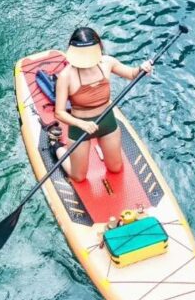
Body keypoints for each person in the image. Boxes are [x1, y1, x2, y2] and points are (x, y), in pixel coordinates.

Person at [50, 26, 152, 183]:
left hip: (107, 122)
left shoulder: (107, 62)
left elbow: (132, 74)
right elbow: (59, 113)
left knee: (116, 168)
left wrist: (142, 68)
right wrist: (81, 124)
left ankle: (100, 146)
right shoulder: (66, 76)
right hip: (80, 128)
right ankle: (58, 149)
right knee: (79, 177)